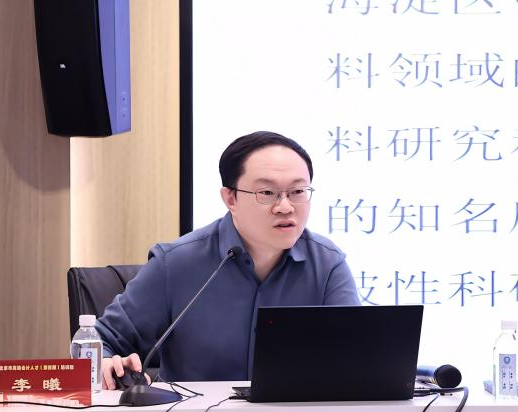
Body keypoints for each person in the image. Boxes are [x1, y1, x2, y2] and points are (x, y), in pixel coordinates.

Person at [96, 131, 360, 389]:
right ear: (230, 198)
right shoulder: (176, 264)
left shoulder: (328, 265)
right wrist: (107, 363)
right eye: (267, 193)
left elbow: (357, 357)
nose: (285, 207)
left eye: (298, 191)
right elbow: (98, 341)